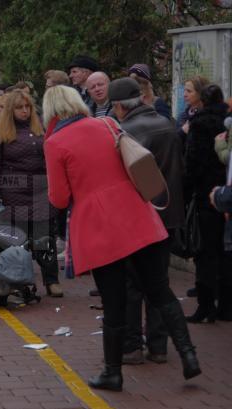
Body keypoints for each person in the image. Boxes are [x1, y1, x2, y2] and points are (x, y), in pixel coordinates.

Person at [42, 84, 201, 392]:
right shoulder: (108, 123)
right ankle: (188, 355)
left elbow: (59, 199)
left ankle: (112, 372)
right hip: (138, 215)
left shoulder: (55, 143)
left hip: (100, 228)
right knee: (159, 290)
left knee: (114, 302)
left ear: (50, 110)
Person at [109, 77, 185, 364]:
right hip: (168, 215)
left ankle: (131, 346)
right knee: (159, 283)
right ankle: (159, 345)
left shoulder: (125, 131)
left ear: (118, 105)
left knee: (132, 285)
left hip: (139, 218)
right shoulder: (167, 124)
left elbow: (125, 179)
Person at [0, 90, 62, 297]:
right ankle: (10, 278)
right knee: (14, 239)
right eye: (20, 107)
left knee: (45, 236)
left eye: (27, 107)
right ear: (11, 109)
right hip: (13, 192)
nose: (25, 111)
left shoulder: (40, 127)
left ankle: (51, 279)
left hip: (40, 190)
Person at [184, 84, 232, 323]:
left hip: (206, 194)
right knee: (226, 251)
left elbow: (192, 162)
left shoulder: (199, 124)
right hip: (227, 192)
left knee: (205, 252)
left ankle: (205, 306)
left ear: (201, 100)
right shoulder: (227, 122)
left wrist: (187, 191)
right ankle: (226, 305)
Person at [177, 75, 210, 299]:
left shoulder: (205, 118)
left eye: (189, 91)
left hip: (202, 184)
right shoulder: (185, 115)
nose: (185, 95)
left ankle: (206, 285)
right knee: (195, 234)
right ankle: (201, 281)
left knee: (204, 238)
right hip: (188, 183)